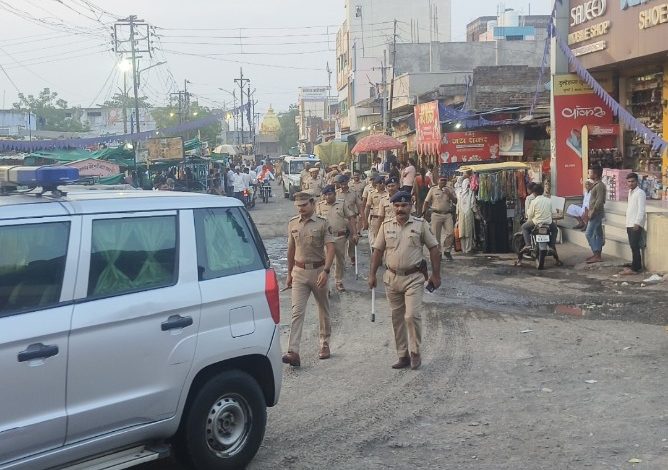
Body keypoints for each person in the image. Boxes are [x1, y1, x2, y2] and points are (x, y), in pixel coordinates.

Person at [369, 191, 441, 370]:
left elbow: (434, 249)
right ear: (393, 207)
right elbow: (377, 251)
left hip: (414, 278)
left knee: (411, 315)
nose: (400, 209)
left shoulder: (420, 224)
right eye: (397, 206)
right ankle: (402, 355)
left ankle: (415, 351)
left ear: (411, 206)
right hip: (392, 278)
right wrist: (372, 274)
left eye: (404, 205)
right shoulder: (385, 225)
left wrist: (436, 274)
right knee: (397, 318)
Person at [283, 192, 336, 367]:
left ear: (312, 204)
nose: (301, 209)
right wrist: (289, 274)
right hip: (299, 272)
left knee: (323, 308)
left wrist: (326, 271)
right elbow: (291, 250)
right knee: (297, 311)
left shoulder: (322, 223)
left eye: (304, 205)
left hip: (318, 271)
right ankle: (293, 351)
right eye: (298, 206)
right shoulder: (292, 223)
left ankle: (324, 343)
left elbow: (330, 248)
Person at [317, 185, 358, 292]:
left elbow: (351, 217)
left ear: (335, 194)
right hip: (326, 238)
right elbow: (316, 221)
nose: (327, 196)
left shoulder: (341, 204)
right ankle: (326, 284)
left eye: (330, 194)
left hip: (339, 236)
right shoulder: (320, 206)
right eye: (325, 195)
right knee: (326, 261)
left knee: (340, 260)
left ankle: (338, 281)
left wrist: (354, 233)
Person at [424, 175, 457, 261]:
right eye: (441, 180)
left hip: (447, 214)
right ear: (438, 181)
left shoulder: (450, 189)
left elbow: (456, 201)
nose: (443, 182)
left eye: (445, 180)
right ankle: (438, 253)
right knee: (436, 236)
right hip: (436, 214)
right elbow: (426, 201)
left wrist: (449, 194)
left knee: (450, 233)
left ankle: (447, 251)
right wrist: (424, 212)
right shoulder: (433, 189)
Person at [621, 172, 646, 275]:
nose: (630, 183)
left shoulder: (640, 193)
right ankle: (635, 265)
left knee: (635, 246)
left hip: (635, 224)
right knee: (632, 245)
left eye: (633, 181)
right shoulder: (630, 192)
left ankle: (636, 268)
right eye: (629, 181)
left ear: (637, 181)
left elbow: (641, 210)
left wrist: (637, 223)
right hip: (629, 222)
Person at [335, 174, 362, 266]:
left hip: (352, 220)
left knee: (352, 240)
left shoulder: (353, 193)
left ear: (347, 182)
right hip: (340, 220)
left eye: (345, 183)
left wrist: (362, 218)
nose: (343, 186)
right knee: (340, 241)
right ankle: (340, 259)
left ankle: (352, 257)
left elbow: (359, 205)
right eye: (341, 184)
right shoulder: (336, 194)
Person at [585, 167, 607, 264]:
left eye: (590, 173)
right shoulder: (596, 184)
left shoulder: (600, 186)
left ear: (596, 174)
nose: (589, 174)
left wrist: (592, 211)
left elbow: (599, 201)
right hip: (595, 212)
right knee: (598, 234)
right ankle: (597, 255)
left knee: (588, 233)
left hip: (596, 213)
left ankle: (596, 253)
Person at [364, 176, 387, 250]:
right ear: (376, 184)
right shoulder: (372, 193)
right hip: (375, 219)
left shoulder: (388, 193)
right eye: (380, 183)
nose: (382, 184)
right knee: (374, 240)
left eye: (383, 182)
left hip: (386, 219)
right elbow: (367, 207)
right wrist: (365, 221)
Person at [456, 170, 477, 254]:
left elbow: (457, 205)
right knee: (468, 231)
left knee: (462, 231)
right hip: (468, 213)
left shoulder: (459, 193)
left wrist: (457, 216)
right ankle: (468, 249)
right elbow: (472, 204)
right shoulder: (471, 193)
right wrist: (476, 212)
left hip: (461, 213)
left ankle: (464, 249)